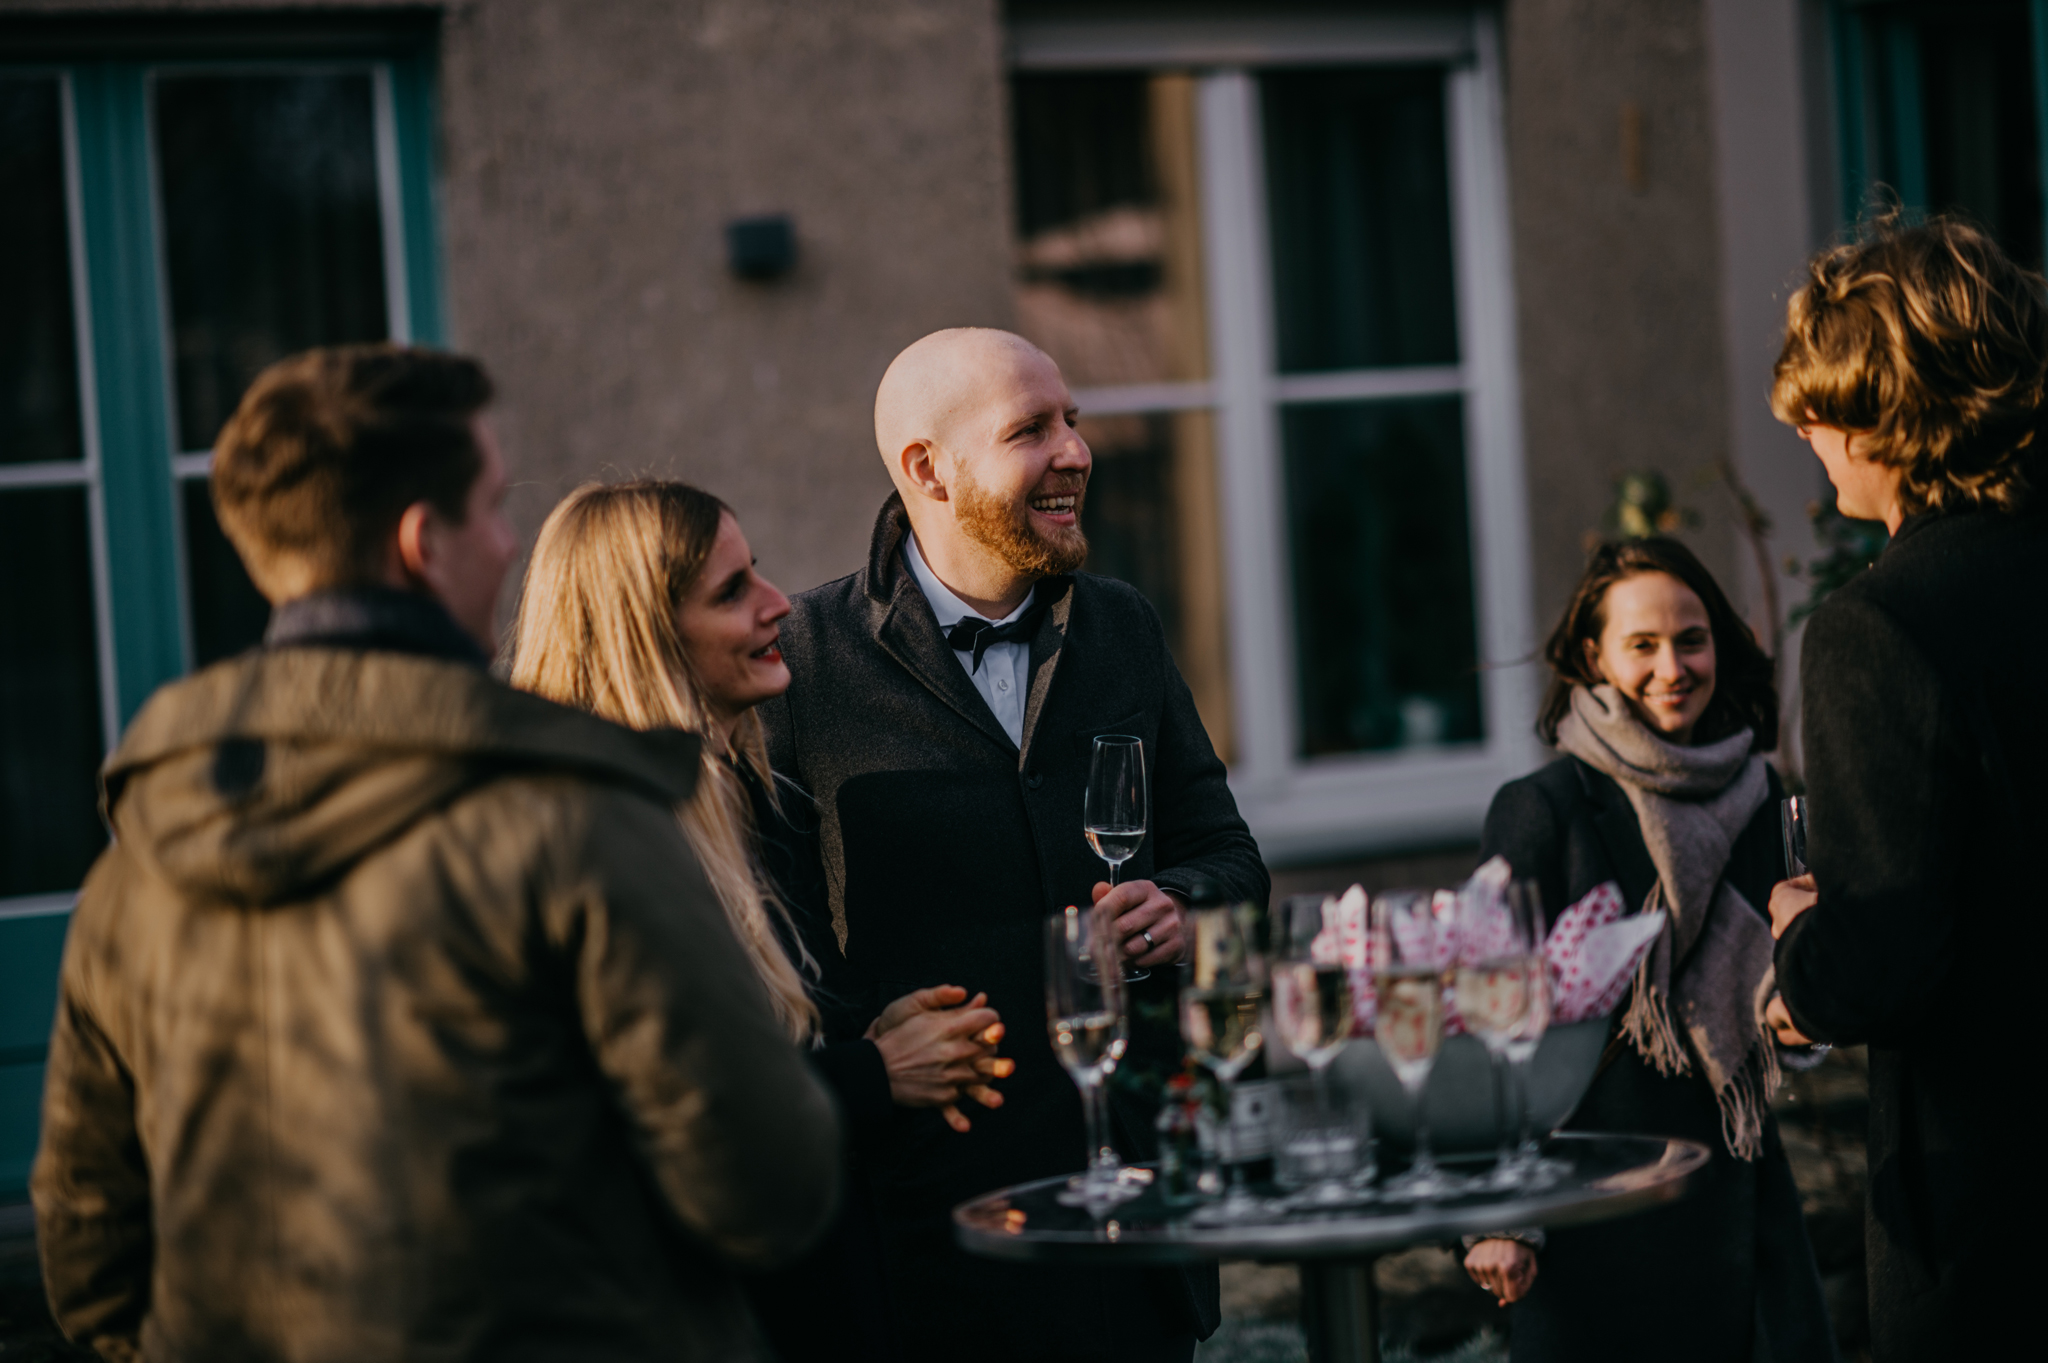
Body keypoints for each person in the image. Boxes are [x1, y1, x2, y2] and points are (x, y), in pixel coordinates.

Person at [30, 345, 840, 1362]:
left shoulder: (131, 871)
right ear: (423, 544)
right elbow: (770, 1186)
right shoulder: (574, 812)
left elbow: (90, 1263)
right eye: (494, 509)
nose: (508, 546)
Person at [760, 327, 1268, 1361]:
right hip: (930, 1243)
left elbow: (1229, 857)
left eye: (1071, 420)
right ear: (927, 469)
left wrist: (1181, 905)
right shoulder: (801, 662)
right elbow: (772, 941)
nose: (1076, 450)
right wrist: (871, 1054)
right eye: (1030, 429)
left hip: (1135, 1220)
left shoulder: (1123, 627)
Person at [507, 478, 1019, 1361]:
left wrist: (870, 1030)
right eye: (731, 591)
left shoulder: (756, 798)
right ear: (642, 634)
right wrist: (876, 1072)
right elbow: (662, 1115)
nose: (779, 603)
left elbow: (781, 1041)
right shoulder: (593, 844)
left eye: (760, 571)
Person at [1765, 217, 2047, 1361]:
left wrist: (1796, 941)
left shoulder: (1879, 625)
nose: (1802, 431)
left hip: (1994, 1223)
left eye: (1820, 405)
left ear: (1889, 411)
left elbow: (1877, 969)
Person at [1464, 536, 1835, 1363]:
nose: (1672, 667)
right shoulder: (1543, 809)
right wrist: (1499, 1216)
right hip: (1593, 1218)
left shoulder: (1763, 796)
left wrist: (1805, 1014)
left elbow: (1783, 994)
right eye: (1643, 644)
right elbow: (1484, 1021)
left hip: (1740, 1214)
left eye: (1691, 640)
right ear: (1593, 655)